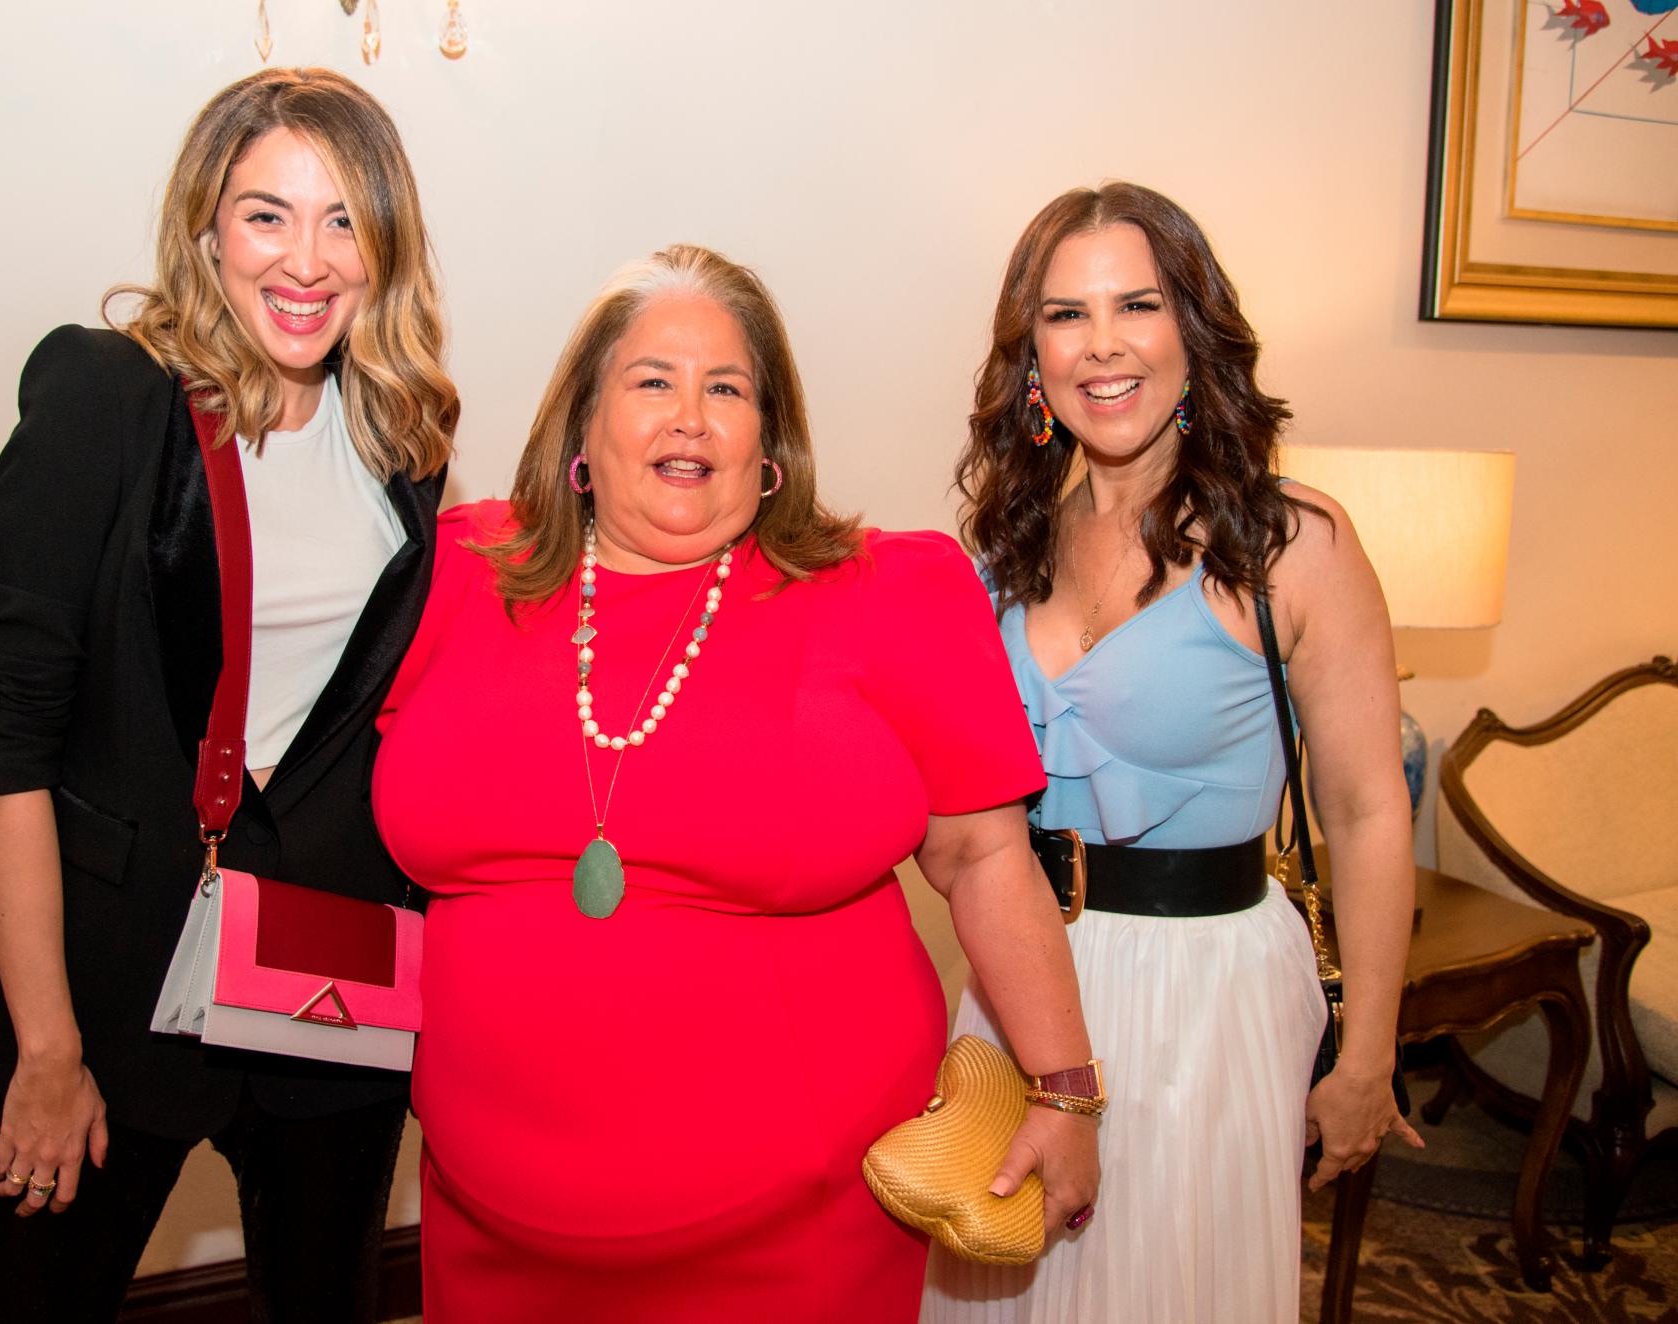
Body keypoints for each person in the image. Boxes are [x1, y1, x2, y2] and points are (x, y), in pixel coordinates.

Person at [372, 244, 1099, 1323]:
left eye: (727, 389)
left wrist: (1063, 1090)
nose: (689, 417)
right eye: (651, 381)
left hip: (794, 1244)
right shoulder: (455, 573)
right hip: (488, 1233)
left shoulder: (888, 592)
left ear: (769, 442)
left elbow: (985, 855)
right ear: (581, 424)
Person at [0, 67, 458, 1323]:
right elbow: (6, 743)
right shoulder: (106, 396)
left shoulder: (402, 439)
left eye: (344, 219)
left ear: (384, 247)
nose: (308, 258)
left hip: (324, 985)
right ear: (205, 229)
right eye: (267, 213)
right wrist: (48, 1050)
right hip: (111, 987)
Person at [921, 183, 1422, 1324]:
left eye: (1135, 303)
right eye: (1063, 314)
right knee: (1008, 1279)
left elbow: (1362, 809)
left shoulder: (1292, 542)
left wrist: (1367, 1057)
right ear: (1028, 359)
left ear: (1192, 333)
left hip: (1208, 990)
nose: (1100, 343)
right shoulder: (1002, 547)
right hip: (1021, 981)